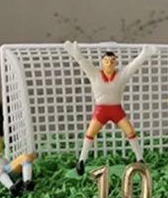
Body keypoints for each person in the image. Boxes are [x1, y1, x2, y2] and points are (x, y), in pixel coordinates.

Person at [64, 41, 157, 175]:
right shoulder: (95, 74)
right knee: (90, 133)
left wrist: (145, 54)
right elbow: (83, 63)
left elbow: (134, 66)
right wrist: (75, 52)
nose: (109, 64)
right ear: (102, 63)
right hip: (101, 111)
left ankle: (140, 158)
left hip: (116, 110)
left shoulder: (121, 75)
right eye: (106, 61)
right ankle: (81, 160)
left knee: (130, 131)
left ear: (116, 63)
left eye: (112, 61)